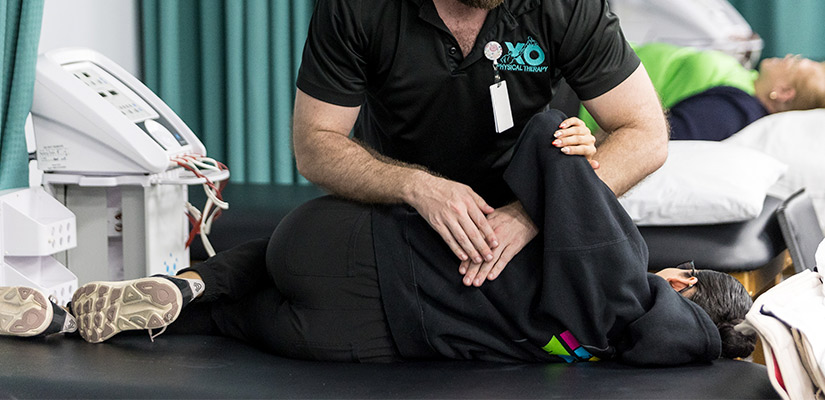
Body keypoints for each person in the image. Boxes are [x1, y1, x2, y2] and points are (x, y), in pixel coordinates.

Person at [0, 110, 754, 365]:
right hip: (339, 341)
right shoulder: (615, 353)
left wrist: (573, 153)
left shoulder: (623, 266)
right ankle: (118, 312)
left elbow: (540, 137)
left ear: (682, 284)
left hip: (336, 249)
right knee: (233, 325)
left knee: (265, 255)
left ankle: (184, 282)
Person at [292, 0, 668, 289]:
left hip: (530, 224)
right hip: (402, 215)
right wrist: (418, 187)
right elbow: (315, 142)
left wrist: (536, 211)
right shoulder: (358, 8)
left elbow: (644, 132)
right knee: (291, 255)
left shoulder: (567, 7)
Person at [581, 42, 825, 141]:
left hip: (583, 95)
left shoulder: (735, 111)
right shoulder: (747, 84)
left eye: (795, 64)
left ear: (783, 92)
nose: (789, 57)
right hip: (593, 61)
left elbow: (652, 141)